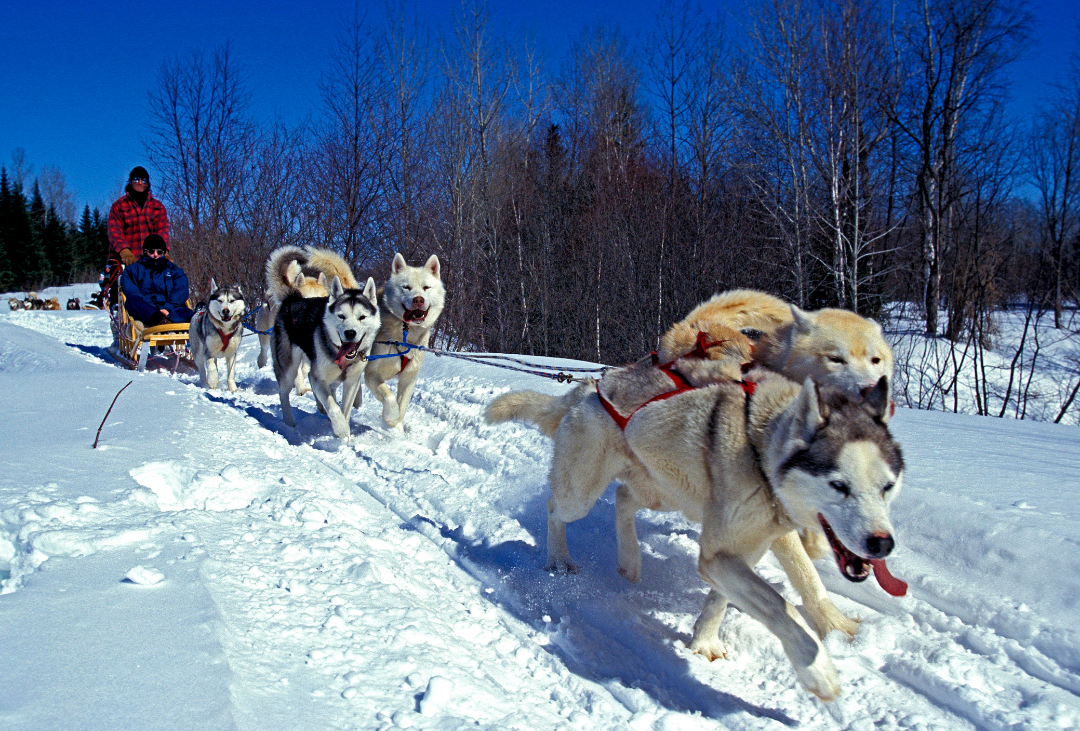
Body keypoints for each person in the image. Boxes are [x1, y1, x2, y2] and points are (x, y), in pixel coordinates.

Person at [103, 166, 169, 307]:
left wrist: (165, 251)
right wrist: (124, 251)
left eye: (143, 180)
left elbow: (162, 231)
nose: (140, 182)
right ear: (130, 182)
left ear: (148, 184)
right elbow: (115, 231)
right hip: (124, 262)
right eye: (136, 179)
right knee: (124, 298)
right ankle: (119, 315)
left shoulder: (157, 207)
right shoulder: (119, 206)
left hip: (150, 261)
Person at [121, 234, 193, 327]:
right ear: (145, 252)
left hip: (171, 309)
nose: (155, 255)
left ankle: (196, 318)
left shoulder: (173, 270)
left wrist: (167, 308)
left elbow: (181, 290)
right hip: (148, 311)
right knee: (132, 301)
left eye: (159, 252)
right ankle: (160, 320)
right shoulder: (133, 270)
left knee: (185, 310)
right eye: (151, 251)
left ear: (163, 253)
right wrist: (154, 309)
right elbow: (132, 292)